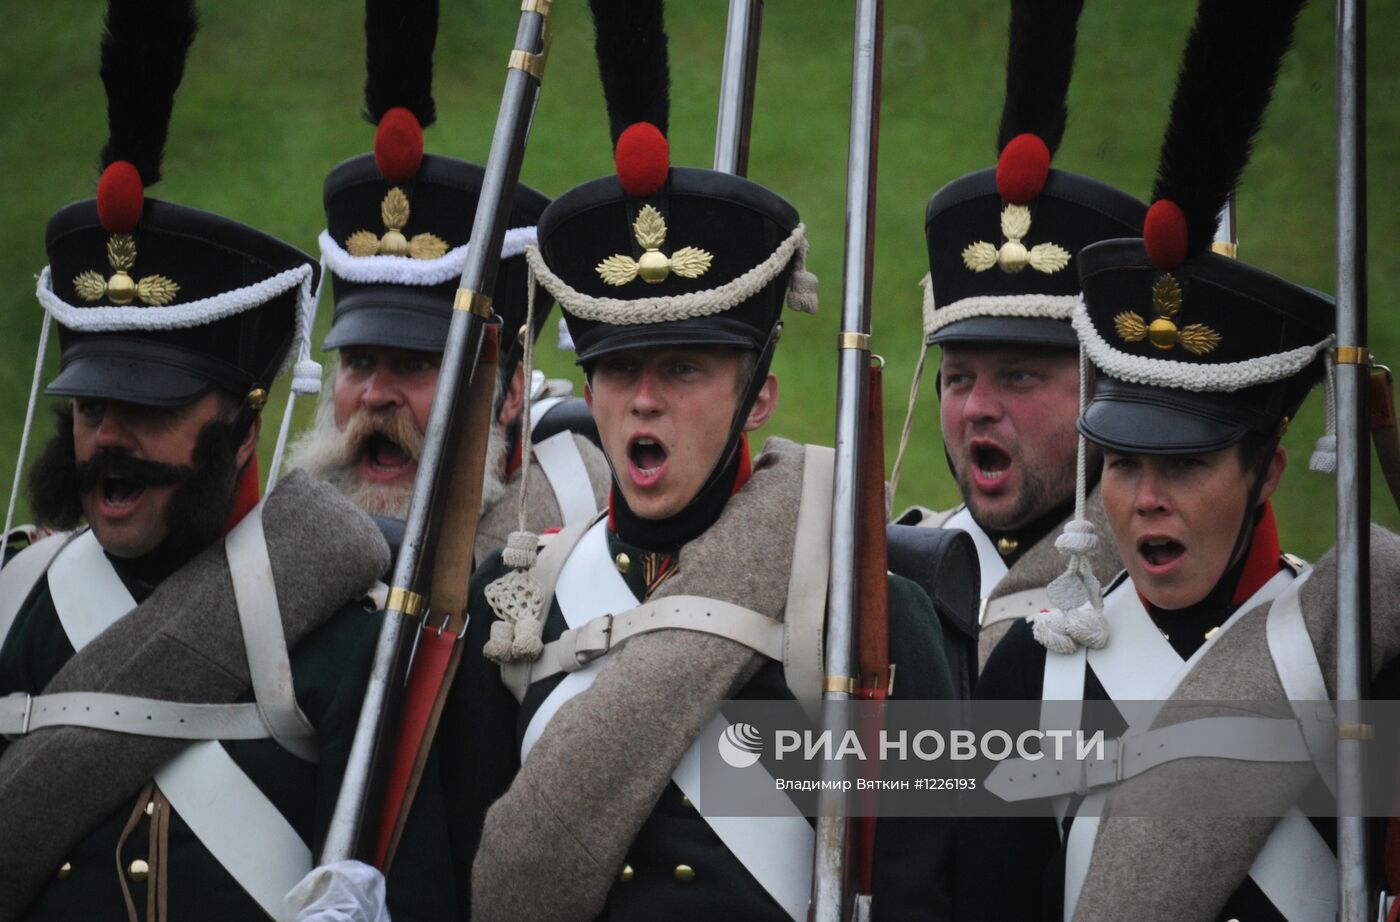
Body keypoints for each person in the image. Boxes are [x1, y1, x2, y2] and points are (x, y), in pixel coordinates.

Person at [441, 2, 955, 919]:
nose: (643, 400)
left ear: (759, 396)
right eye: (617, 369)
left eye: (683, 369)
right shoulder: (517, 603)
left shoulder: (867, 610)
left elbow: (920, 886)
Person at [0, 2, 455, 919]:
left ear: (245, 428)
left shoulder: (343, 639)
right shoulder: (17, 607)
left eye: (151, 410)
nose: (109, 441)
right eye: (91, 408)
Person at [956, 1, 1400, 917]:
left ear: (1266, 474)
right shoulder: (1034, 673)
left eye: (1186, 467)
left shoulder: (1356, 655)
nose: (1145, 499)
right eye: (1121, 463)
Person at [284, 0, 608, 562]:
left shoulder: (577, 543)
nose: (375, 395)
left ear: (508, 395)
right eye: (358, 360)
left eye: (416, 364)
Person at [891, 0, 1138, 667]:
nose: (976, 407)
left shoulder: (1161, 584)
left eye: (1020, 375)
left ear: (1107, 391)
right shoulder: (889, 570)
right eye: (959, 377)